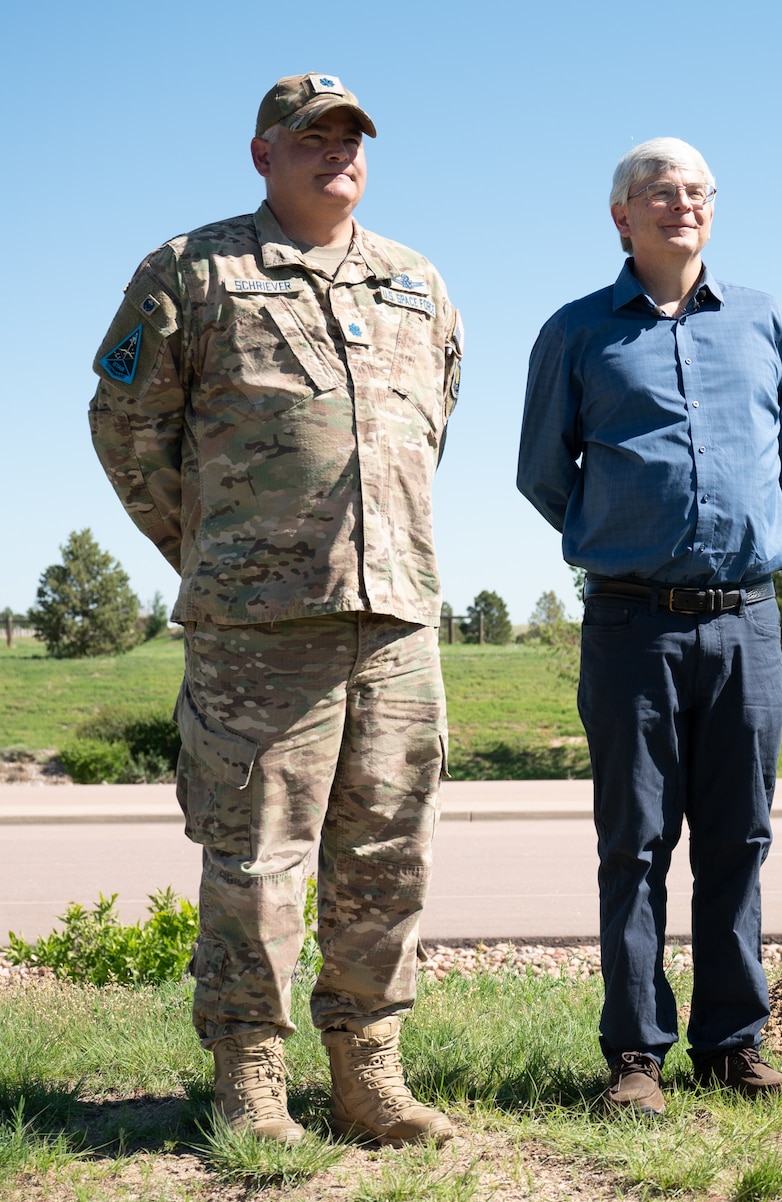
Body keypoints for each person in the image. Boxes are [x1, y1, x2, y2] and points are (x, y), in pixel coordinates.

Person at [87, 73, 464, 1144]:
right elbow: (125, 426)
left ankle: (370, 1075)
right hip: (257, 631)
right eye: (311, 138)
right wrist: (212, 551)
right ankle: (250, 1079)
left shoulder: (416, 283)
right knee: (254, 858)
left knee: (389, 852)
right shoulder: (191, 272)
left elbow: (431, 427)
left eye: (350, 139)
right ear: (262, 153)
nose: (335, 153)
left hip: (393, 619)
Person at [518, 137, 782, 1109]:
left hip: (746, 624)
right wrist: (626, 539)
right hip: (632, 625)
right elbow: (543, 476)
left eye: (694, 191)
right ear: (620, 217)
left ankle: (731, 1046)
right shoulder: (576, 333)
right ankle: (634, 1057)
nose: (678, 204)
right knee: (634, 843)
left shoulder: (763, 323)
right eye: (655, 192)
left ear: (711, 210)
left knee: (740, 839)